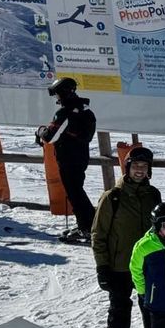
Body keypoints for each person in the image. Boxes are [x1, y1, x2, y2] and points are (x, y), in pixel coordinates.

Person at [91, 145, 162, 328]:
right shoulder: (113, 197)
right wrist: (102, 266)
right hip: (120, 266)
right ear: (127, 167)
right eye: (136, 166)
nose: (140, 171)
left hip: (147, 265)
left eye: (144, 167)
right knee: (120, 308)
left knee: (151, 309)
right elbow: (98, 234)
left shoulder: (153, 195)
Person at [37, 77, 97, 243]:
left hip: (68, 158)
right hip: (81, 156)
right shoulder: (85, 110)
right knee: (77, 191)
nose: (56, 99)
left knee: (75, 193)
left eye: (57, 95)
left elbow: (50, 136)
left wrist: (41, 132)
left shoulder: (66, 113)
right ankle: (88, 226)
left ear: (62, 93)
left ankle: (88, 227)